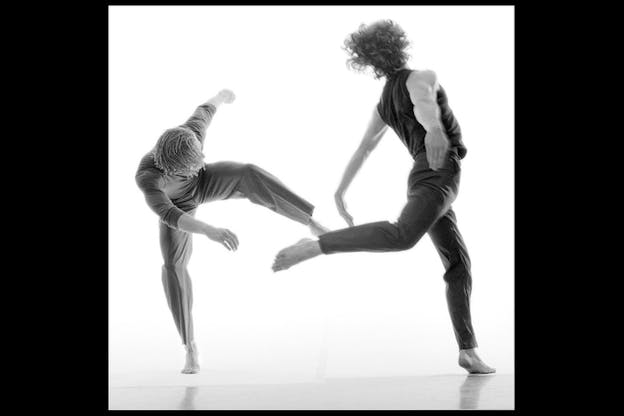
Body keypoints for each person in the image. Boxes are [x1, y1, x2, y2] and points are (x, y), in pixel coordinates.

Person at [272, 20, 495, 374]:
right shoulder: (421, 75)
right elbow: (424, 104)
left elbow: (364, 149)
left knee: (458, 265)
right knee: (402, 236)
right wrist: (435, 129)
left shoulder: (382, 106)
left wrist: (341, 189)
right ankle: (315, 245)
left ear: (368, 60)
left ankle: (467, 350)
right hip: (438, 173)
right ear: (397, 45)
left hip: (427, 179)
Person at [136, 89, 328, 374]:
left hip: (205, 184)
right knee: (174, 267)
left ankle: (309, 221)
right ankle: (190, 346)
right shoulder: (148, 177)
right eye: (192, 166)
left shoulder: (188, 134)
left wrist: (222, 96)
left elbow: (205, 110)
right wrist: (209, 230)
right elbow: (171, 216)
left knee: (248, 171)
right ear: (171, 172)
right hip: (179, 208)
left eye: (200, 157)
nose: (201, 161)